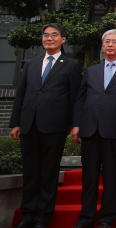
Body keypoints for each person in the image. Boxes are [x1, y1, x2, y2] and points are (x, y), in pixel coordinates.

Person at [9, 23, 82, 228]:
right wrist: (15, 122)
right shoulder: (31, 64)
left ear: (63, 39)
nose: (49, 38)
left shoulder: (71, 65)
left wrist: (76, 124)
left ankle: (43, 216)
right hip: (29, 124)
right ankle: (27, 213)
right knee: (30, 171)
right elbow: (20, 95)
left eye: (54, 35)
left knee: (49, 171)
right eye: (46, 35)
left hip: (55, 126)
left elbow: (75, 97)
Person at [71, 30, 116, 228]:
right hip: (90, 128)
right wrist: (76, 124)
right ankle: (85, 217)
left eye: (114, 42)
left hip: (114, 129)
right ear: (102, 46)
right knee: (89, 176)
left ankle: (106, 217)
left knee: (110, 175)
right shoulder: (92, 70)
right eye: (106, 42)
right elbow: (81, 98)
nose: (110, 45)